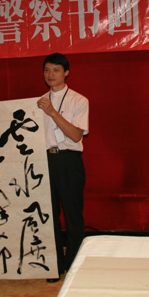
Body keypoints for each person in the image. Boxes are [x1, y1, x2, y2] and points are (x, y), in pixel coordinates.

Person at [36, 53, 89, 283]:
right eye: (47, 70)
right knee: (49, 216)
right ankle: (54, 265)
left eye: (56, 70)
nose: (51, 75)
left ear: (66, 72)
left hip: (69, 161)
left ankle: (74, 264)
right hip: (44, 161)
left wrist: (52, 113)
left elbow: (76, 135)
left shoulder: (79, 101)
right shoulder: (38, 102)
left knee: (72, 215)